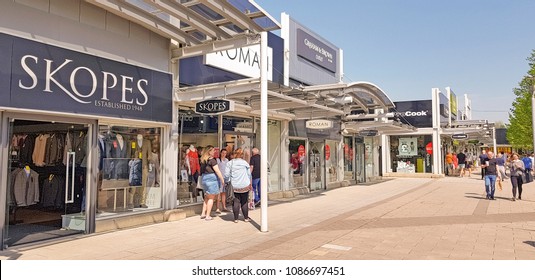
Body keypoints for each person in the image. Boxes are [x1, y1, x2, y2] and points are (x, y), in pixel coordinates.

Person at [224, 148, 252, 223]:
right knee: (244, 201)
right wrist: (249, 183)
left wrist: (227, 181)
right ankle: (246, 218)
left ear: (234, 154)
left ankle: (236, 219)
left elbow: (226, 175)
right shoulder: (245, 163)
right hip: (245, 185)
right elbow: (249, 174)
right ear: (242, 155)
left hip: (235, 185)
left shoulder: (230, 163)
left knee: (236, 201)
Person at [199, 145, 224, 221]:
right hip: (212, 179)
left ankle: (203, 213)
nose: (214, 152)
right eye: (213, 150)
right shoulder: (212, 160)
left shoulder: (203, 160)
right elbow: (217, 171)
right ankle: (208, 215)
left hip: (204, 179)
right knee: (211, 198)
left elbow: (201, 171)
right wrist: (222, 179)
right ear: (209, 152)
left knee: (206, 197)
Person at [215, 149, 230, 213]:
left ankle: (224, 206)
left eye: (225, 153)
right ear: (220, 153)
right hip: (219, 178)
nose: (224, 154)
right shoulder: (217, 160)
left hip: (225, 178)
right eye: (223, 153)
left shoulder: (227, 160)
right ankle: (217, 208)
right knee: (219, 193)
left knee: (224, 193)